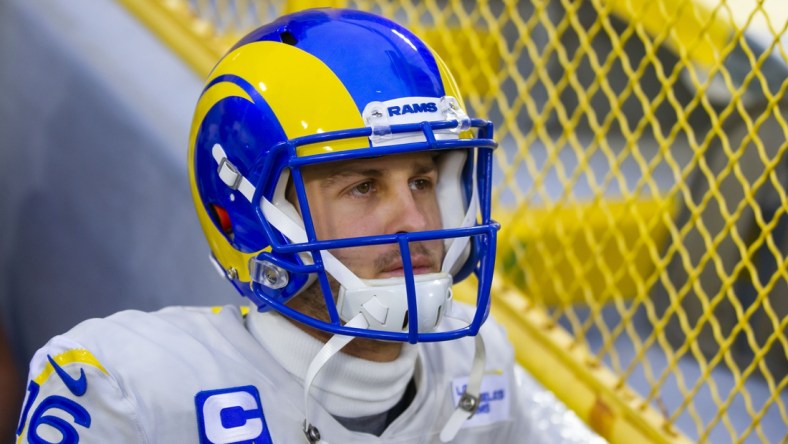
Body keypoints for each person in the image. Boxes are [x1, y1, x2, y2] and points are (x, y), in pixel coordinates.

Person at [15, 8, 602, 443]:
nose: (417, 221)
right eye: (363, 186)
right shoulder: (127, 389)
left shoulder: (478, 364)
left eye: (424, 181)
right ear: (251, 218)